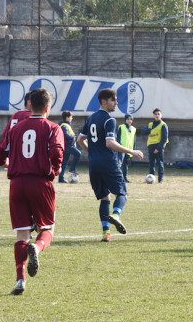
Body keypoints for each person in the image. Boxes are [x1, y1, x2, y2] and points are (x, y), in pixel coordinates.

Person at [0, 88, 64, 295]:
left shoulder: (16, 127)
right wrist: (54, 171)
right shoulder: (53, 128)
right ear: (48, 107)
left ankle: (20, 280)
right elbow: (56, 152)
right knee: (47, 230)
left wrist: (13, 163)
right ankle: (38, 248)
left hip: (16, 184)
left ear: (30, 105)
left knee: (22, 234)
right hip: (40, 182)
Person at [77, 89, 144, 242]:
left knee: (104, 198)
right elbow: (110, 143)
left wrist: (92, 153)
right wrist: (131, 151)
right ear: (103, 101)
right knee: (122, 193)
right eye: (113, 100)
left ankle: (105, 234)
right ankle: (116, 214)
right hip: (108, 162)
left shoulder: (91, 118)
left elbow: (80, 140)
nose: (116, 103)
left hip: (93, 164)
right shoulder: (109, 120)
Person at [0, 90, 32, 168]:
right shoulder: (33, 117)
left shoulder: (16, 115)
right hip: (31, 161)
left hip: (15, 161)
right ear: (29, 102)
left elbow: (5, 139)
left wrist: (1, 160)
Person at [143, 108, 168, 183]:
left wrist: (158, 148)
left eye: (158, 114)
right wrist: (149, 130)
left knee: (160, 164)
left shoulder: (163, 125)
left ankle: (160, 180)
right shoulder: (150, 124)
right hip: (151, 146)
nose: (157, 115)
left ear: (161, 115)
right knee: (151, 164)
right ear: (153, 115)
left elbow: (164, 139)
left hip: (158, 146)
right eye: (155, 114)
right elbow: (143, 131)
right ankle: (151, 179)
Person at [58, 110, 82, 183]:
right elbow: (65, 135)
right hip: (67, 145)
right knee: (78, 154)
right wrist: (72, 136)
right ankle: (72, 169)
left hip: (67, 145)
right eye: (71, 117)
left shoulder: (66, 125)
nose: (72, 118)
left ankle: (61, 179)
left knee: (64, 163)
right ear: (67, 117)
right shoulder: (64, 126)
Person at [117, 114, 136, 183]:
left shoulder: (134, 129)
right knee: (119, 163)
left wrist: (134, 149)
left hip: (129, 149)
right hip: (121, 148)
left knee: (126, 164)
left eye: (130, 119)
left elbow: (134, 139)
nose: (129, 120)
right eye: (128, 119)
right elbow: (118, 137)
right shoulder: (121, 127)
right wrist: (118, 146)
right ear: (125, 120)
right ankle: (117, 177)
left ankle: (125, 178)